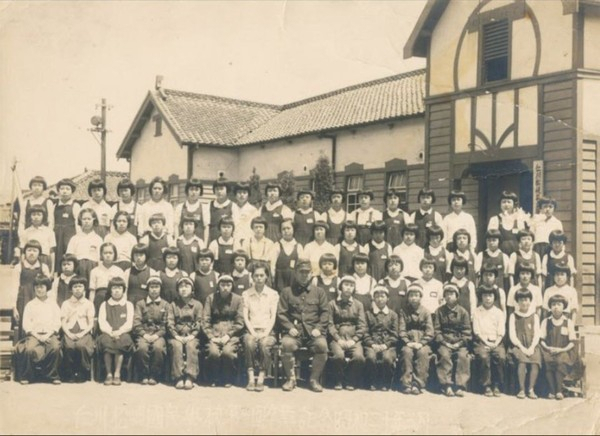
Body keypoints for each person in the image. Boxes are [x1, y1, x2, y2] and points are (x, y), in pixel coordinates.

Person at [277, 259, 329, 392]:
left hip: (313, 332)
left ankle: (314, 379)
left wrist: (318, 328)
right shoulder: (287, 292)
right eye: (301, 272)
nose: (304, 275)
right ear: (295, 273)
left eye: (307, 272)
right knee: (286, 344)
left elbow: (325, 314)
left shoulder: (319, 292)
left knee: (322, 346)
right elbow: (281, 314)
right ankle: (291, 379)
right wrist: (290, 328)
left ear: (312, 273)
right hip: (295, 332)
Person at [14, 274, 62, 385]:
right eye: (37, 287)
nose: (39, 289)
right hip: (34, 334)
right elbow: (26, 324)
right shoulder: (30, 305)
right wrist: (37, 335)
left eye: (42, 287)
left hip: (50, 334)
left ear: (47, 288)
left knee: (55, 348)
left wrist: (48, 334)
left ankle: (52, 376)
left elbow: (57, 322)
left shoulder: (53, 304)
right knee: (29, 349)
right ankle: (28, 375)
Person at [242, 263, 279, 392]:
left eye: (261, 275)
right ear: (252, 277)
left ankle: (261, 378)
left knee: (264, 344)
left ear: (266, 277)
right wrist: (253, 332)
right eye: (256, 275)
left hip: (267, 331)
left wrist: (265, 333)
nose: (258, 278)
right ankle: (251, 378)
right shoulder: (246, 294)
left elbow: (273, 316)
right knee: (249, 342)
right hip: (251, 330)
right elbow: (246, 317)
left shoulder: (273, 294)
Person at [202, 275, 244, 387]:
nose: (225, 288)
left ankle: (228, 378)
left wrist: (229, 335)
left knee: (228, 352)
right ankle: (213, 378)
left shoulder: (238, 299)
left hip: (231, 333)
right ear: (218, 286)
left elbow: (240, 321)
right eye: (223, 285)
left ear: (232, 286)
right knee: (213, 352)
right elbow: (205, 320)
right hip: (214, 332)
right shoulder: (210, 298)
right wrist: (211, 336)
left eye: (228, 285)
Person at [327, 275, 367, 391]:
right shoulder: (332, 304)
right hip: (337, 338)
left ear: (354, 288)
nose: (348, 288)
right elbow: (330, 324)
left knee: (359, 357)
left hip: (353, 338)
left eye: (351, 285)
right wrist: (338, 339)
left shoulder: (358, 305)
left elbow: (362, 325)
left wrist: (354, 340)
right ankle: (338, 380)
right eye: (346, 285)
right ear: (340, 287)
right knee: (338, 356)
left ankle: (350, 380)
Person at [434, 283, 472, 397]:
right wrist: (444, 342)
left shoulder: (463, 312)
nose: (449, 296)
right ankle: (447, 385)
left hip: (459, 342)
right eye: (447, 294)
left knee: (462, 356)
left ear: (457, 296)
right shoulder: (439, 311)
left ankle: (460, 386)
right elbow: (436, 330)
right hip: (444, 342)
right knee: (444, 355)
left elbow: (467, 332)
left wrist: (460, 343)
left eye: (452, 294)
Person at [97, 277, 135, 386]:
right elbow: (102, 321)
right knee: (107, 342)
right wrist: (110, 332)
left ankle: (117, 373)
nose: (117, 291)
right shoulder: (104, 305)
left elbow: (129, 323)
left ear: (123, 290)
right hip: (107, 333)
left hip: (123, 333)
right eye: (114, 288)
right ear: (110, 290)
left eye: (119, 288)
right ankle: (109, 374)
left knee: (121, 342)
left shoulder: (128, 305)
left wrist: (120, 332)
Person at [167, 277, 203, 390]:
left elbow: (199, 322)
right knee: (176, 346)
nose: (183, 289)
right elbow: (170, 322)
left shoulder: (197, 305)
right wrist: (176, 336)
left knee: (191, 345)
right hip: (176, 335)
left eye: (187, 286)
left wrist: (192, 335)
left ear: (192, 289)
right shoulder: (172, 305)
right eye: (181, 287)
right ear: (177, 290)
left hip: (192, 335)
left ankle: (190, 377)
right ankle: (178, 377)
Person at [133, 276, 169, 385]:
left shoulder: (165, 304)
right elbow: (136, 323)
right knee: (142, 348)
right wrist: (144, 335)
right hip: (144, 333)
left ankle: (154, 375)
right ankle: (144, 374)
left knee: (158, 348)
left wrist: (157, 335)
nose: (154, 290)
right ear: (148, 289)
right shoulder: (140, 304)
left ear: (160, 289)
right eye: (152, 287)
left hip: (158, 335)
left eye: (157, 287)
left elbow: (165, 324)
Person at [399, 282, 434, 395]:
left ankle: (417, 384)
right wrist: (407, 342)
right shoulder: (403, 311)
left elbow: (429, 332)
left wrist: (422, 343)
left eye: (416, 295)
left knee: (423, 353)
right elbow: (401, 330)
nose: (414, 298)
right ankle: (406, 384)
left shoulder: (426, 312)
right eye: (411, 295)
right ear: (408, 297)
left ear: (420, 297)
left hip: (422, 343)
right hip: (408, 342)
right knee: (406, 352)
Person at [540, 295, 577, 400]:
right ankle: (552, 390)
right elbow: (541, 340)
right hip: (549, 350)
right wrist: (548, 348)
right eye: (553, 305)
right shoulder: (546, 322)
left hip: (564, 350)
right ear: (550, 307)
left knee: (561, 361)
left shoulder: (568, 322)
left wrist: (561, 349)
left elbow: (572, 342)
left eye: (559, 304)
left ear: (563, 307)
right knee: (547, 360)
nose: (556, 307)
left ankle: (559, 390)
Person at [363, 285, 399, 391]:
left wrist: (385, 345)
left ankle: (385, 382)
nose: (380, 299)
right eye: (377, 296)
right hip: (372, 344)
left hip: (388, 344)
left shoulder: (393, 315)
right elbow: (365, 332)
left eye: (382, 296)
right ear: (373, 298)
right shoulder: (368, 314)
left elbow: (394, 334)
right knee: (370, 357)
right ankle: (372, 381)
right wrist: (372, 344)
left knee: (387, 358)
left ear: (387, 298)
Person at [60, 275, 95, 382]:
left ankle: (82, 372)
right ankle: (69, 373)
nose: (78, 289)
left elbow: (91, 323)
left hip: (84, 332)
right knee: (69, 346)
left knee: (80, 346)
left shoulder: (89, 304)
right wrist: (68, 334)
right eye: (75, 286)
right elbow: (63, 322)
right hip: (69, 331)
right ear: (71, 289)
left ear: (84, 288)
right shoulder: (66, 303)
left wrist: (82, 334)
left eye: (80, 286)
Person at [472, 287, 506, 397]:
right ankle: (486, 385)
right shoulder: (477, 311)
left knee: (500, 356)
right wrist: (487, 343)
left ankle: (496, 385)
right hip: (481, 341)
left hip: (497, 341)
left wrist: (495, 344)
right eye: (485, 296)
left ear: (494, 298)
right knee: (484, 356)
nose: (487, 299)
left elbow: (501, 332)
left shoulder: (499, 312)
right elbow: (477, 331)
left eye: (490, 296)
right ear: (481, 297)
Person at [508, 289, 542, 399]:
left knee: (535, 361)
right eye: (521, 300)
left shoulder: (534, 316)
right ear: (517, 302)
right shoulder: (514, 316)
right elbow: (512, 336)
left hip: (532, 345)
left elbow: (537, 334)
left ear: (530, 301)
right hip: (518, 346)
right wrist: (522, 348)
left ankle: (531, 389)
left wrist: (532, 347)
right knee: (522, 361)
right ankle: (522, 389)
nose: (524, 302)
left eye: (526, 300)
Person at [12, 240, 51, 332]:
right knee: (24, 320)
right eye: (29, 250)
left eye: (35, 250)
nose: (32, 253)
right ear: (24, 252)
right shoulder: (19, 267)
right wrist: (14, 307)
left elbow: (48, 288)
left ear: (39, 253)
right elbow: (14, 287)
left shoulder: (44, 267)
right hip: (23, 297)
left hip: (39, 296)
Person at [487, 191, 530, 256]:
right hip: (500, 253)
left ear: (514, 204)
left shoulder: (519, 219)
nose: (506, 205)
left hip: (516, 252)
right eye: (504, 202)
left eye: (509, 202)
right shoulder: (495, 219)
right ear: (500, 204)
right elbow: (490, 239)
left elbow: (523, 238)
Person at [66, 208, 103, 282]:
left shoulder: (98, 239)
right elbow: (69, 257)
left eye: (89, 219)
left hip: (93, 267)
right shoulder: (75, 238)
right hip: (78, 267)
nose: (86, 221)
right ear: (80, 220)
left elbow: (100, 259)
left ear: (94, 220)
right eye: (84, 219)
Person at [17, 204, 55, 274]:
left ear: (43, 216)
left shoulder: (49, 232)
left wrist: (52, 270)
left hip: (45, 259)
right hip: (30, 260)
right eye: (34, 215)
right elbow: (22, 251)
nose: (36, 217)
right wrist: (21, 265)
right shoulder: (26, 232)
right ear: (30, 216)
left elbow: (52, 252)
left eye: (39, 214)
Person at [53, 178, 80, 273]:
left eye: (67, 189)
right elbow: (52, 223)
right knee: (57, 257)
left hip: (70, 235)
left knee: (69, 256)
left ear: (72, 191)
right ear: (58, 191)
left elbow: (78, 224)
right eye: (62, 188)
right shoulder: (54, 206)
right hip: (57, 235)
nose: (64, 191)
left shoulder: (75, 206)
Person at [89, 242, 124, 313]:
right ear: (101, 254)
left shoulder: (119, 271)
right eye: (105, 253)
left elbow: (123, 291)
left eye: (110, 253)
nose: (108, 255)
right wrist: (91, 306)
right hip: (99, 299)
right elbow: (92, 291)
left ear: (115, 254)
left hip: (115, 297)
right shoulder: (94, 271)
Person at [273, 218, 304, 292]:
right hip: (280, 279)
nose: (286, 231)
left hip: (294, 279)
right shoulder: (277, 245)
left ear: (293, 229)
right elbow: (272, 266)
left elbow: (301, 265)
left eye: (288, 228)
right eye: (283, 229)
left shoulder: (298, 246)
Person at [207, 178, 238, 244]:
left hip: (227, 242)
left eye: (221, 189)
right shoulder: (209, 205)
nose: (219, 191)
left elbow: (236, 228)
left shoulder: (233, 206)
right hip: (212, 241)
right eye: (217, 189)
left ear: (227, 190)